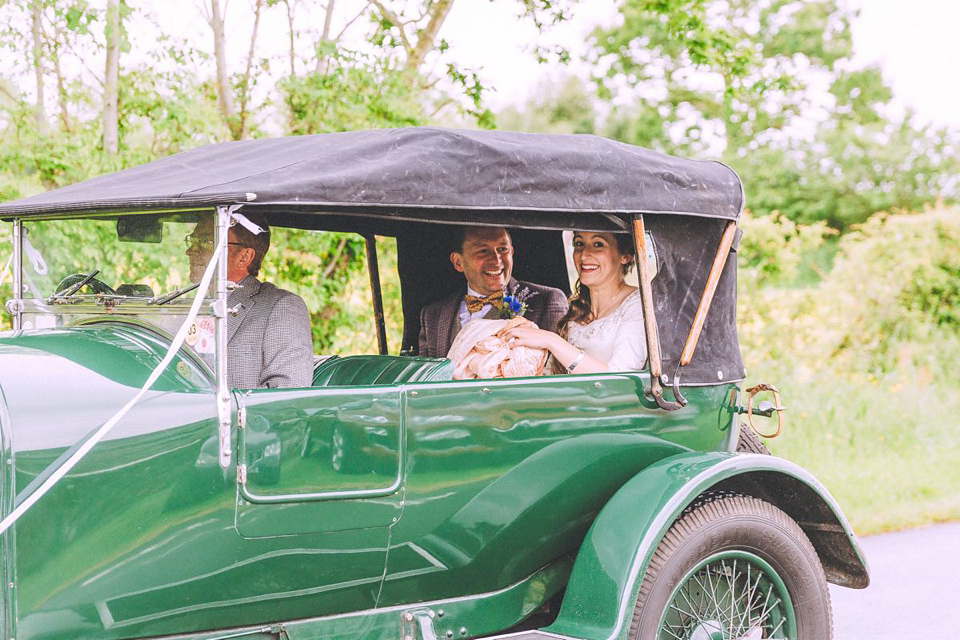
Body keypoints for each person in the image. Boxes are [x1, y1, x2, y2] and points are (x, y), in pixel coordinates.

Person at [185, 212, 313, 388]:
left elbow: (286, 395)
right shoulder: (190, 308)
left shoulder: (281, 307)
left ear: (244, 257)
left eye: (206, 242)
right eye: (192, 241)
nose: (190, 251)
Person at [502, 231, 647, 373]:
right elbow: (552, 373)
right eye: (579, 244)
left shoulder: (638, 306)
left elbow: (621, 377)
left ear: (625, 255)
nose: (584, 255)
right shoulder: (576, 309)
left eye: (598, 244)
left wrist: (552, 341)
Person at [418, 225, 568, 358]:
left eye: (503, 249)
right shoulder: (433, 315)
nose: (496, 260)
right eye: (483, 251)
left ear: (512, 253)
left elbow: (559, 373)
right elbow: (425, 379)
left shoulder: (547, 302)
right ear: (458, 262)